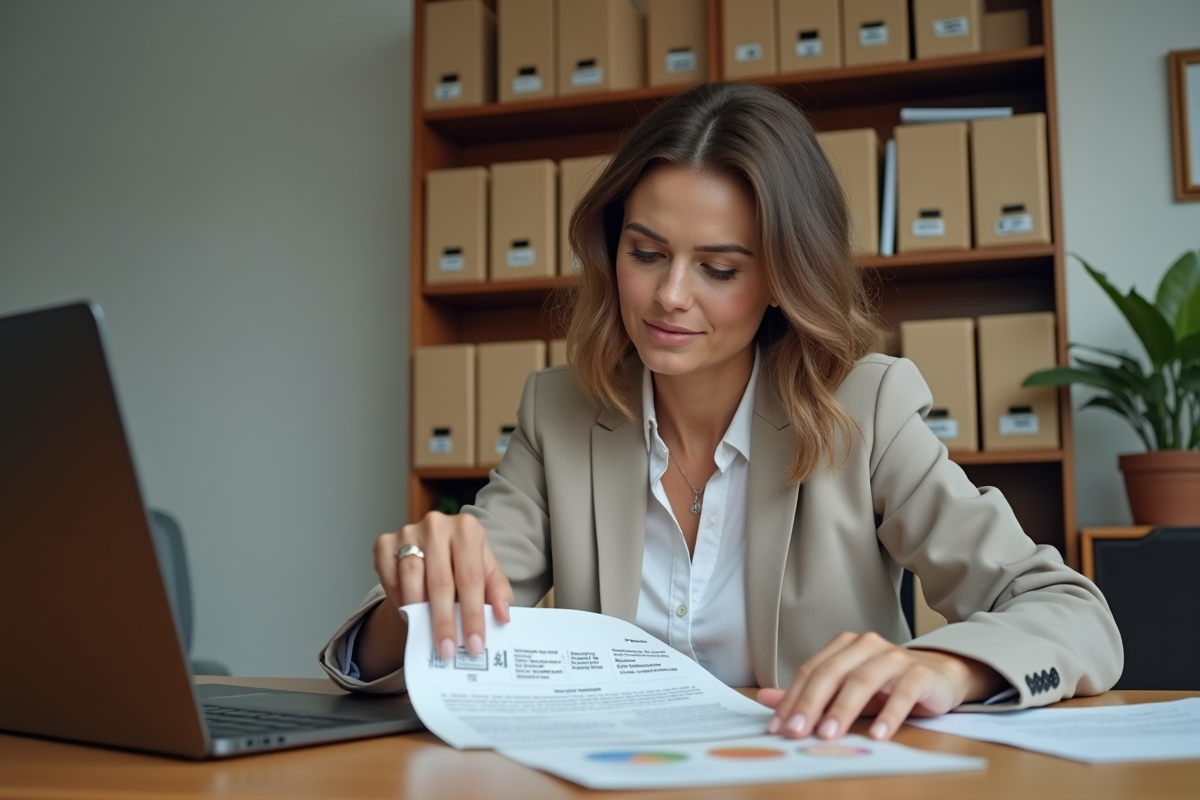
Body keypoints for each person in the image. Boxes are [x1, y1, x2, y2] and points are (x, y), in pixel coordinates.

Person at [320, 81, 1122, 742]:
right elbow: (417, 648)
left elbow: (1070, 612)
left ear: (781, 276)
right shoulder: (561, 411)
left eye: (719, 267)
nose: (671, 296)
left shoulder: (862, 409)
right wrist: (417, 589)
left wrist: (949, 667)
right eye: (646, 254)